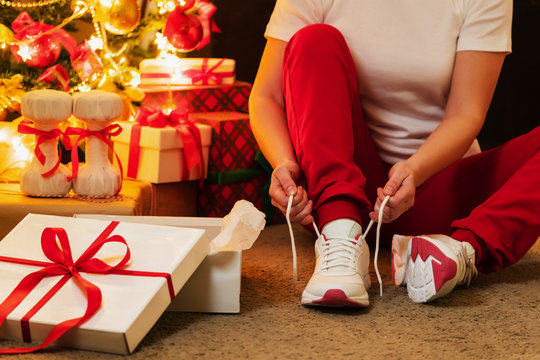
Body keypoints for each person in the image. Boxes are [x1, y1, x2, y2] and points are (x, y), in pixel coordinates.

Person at [248, 0, 540, 307]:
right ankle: (340, 235)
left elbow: (466, 113)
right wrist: (284, 164)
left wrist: (415, 170)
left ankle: (460, 251)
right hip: (333, 193)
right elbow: (266, 97)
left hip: (437, 193)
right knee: (313, 39)